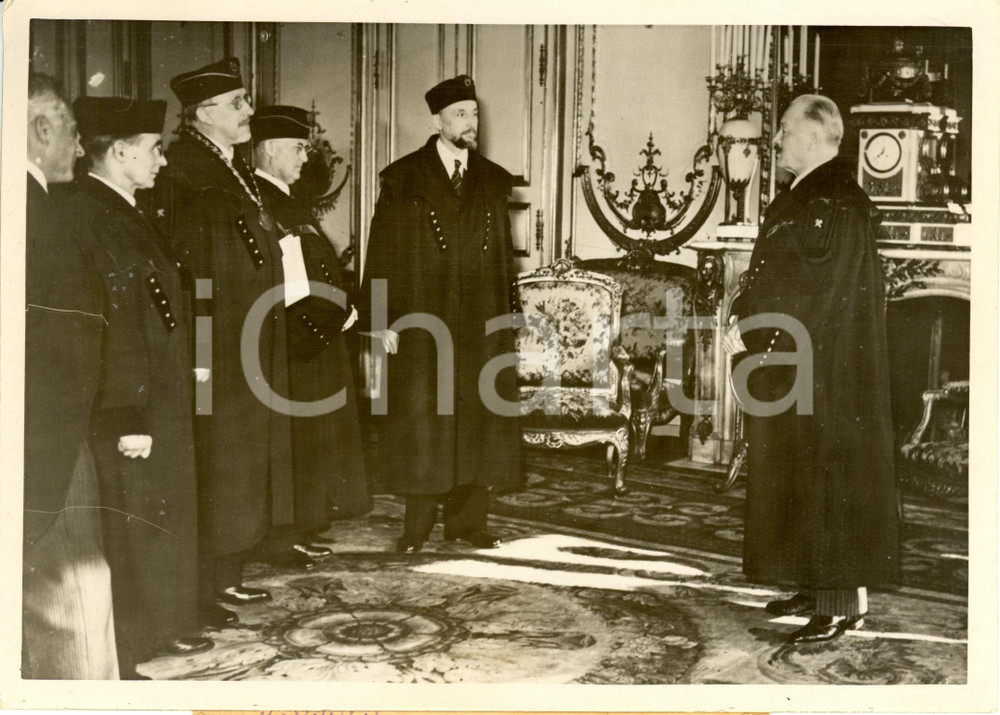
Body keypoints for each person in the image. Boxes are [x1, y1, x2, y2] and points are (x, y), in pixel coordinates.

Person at [722, 94, 899, 645]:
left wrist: (752, 331)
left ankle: (840, 604)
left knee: (829, 479)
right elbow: (776, 273)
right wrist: (742, 316)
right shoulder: (808, 194)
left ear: (819, 137)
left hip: (824, 370)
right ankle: (811, 582)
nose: (775, 140)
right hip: (799, 358)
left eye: (785, 131)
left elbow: (811, 293)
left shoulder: (836, 200)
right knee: (799, 475)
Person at [68, 96, 215, 678]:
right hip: (133, 401)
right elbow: (108, 323)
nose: (161, 159)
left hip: (160, 392)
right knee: (130, 521)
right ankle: (131, 641)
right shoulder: (88, 215)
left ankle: (156, 626)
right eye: (153, 149)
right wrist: (124, 415)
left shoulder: (127, 210)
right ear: (121, 151)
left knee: (155, 514)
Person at [151, 57, 293, 614]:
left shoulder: (226, 163)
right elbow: (188, 271)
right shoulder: (185, 170)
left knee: (240, 460)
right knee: (218, 462)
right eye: (237, 103)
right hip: (218, 342)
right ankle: (204, 584)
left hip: (248, 336)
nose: (248, 111)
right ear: (203, 113)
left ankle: (226, 573)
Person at [358, 75, 522, 554]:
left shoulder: (492, 180)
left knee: (477, 416)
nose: (471, 124)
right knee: (424, 422)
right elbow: (381, 251)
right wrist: (379, 317)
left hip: (479, 321)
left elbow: (504, 261)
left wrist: (508, 317)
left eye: (474, 114)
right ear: (437, 121)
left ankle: (467, 523)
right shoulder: (403, 177)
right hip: (422, 320)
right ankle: (417, 527)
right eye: (460, 115)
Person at [22, 74, 119, 679]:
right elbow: (68, 355)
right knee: (74, 618)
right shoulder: (46, 222)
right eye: (74, 134)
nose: (81, 150)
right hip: (48, 452)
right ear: (40, 129)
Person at [249, 104, 371, 565]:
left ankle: (300, 528)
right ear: (272, 150)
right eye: (299, 148)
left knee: (312, 438)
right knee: (295, 440)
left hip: (315, 332)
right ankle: (283, 537)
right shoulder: (263, 198)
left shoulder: (284, 196)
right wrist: (331, 317)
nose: (306, 157)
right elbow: (289, 279)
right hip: (298, 337)